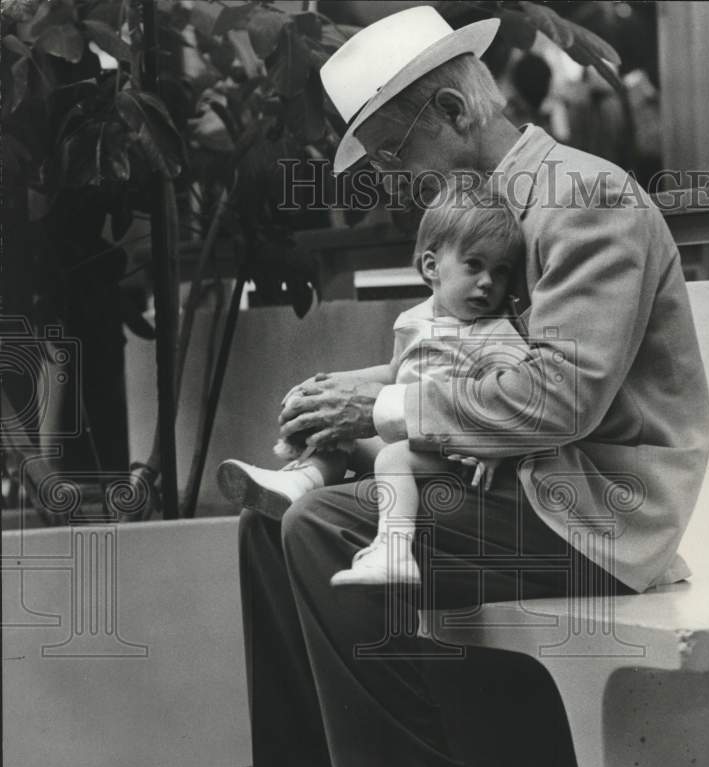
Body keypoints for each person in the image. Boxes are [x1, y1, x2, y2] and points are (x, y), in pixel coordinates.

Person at [177, 5, 709, 767]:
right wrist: (366, 397)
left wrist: (385, 406)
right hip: (520, 491)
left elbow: (558, 396)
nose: (388, 181)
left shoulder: (587, 199)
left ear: (458, 111)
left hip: (595, 512)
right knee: (272, 521)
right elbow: (489, 355)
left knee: (324, 521)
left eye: (392, 154)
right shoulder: (505, 208)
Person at [217, 185, 529, 586]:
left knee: (391, 459)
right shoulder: (414, 321)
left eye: (500, 272)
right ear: (432, 266)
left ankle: (394, 550)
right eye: (474, 265)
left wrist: (492, 452)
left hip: (453, 455)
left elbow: (512, 395)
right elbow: (396, 370)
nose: (488, 282)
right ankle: (299, 481)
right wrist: (337, 383)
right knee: (337, 434)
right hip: (412, 442)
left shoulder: (495, 333)